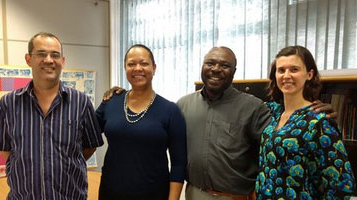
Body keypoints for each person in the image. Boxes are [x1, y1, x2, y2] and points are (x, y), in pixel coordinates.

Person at [103, 46, 336, 200]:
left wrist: (312, 110)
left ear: (234, 71)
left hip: (234, 196)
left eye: (224, 65)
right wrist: (117, 94)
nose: (216, 69)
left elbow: (278, 140)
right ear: (202, 67)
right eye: (210, 63)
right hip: (193, 193)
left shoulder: (255, 107)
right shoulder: (182, 106)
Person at [0, 32, 104, 200]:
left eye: (55, 55)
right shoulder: (8, 103)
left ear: (62, 61)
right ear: (28, 59)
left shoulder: (81, 102)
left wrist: (64, 163)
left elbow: (89, 147)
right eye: (41, 54)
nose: (48, 60)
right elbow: (6, 149)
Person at [255, 46, 356, 199]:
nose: (286, 76)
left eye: (294, 69)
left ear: (309, 74)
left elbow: (341, 184)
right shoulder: (272, 112)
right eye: (281, 70)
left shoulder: (319, 122)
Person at [95, 44, 187, 200]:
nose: (137, 68)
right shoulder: (110, 103)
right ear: (125, 68)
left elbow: (179, 164)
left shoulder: (170, 110)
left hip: (154, 194)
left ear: (154, 67)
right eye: (131, 64)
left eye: (144, 63)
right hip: (110, 193)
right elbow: (86, 135)